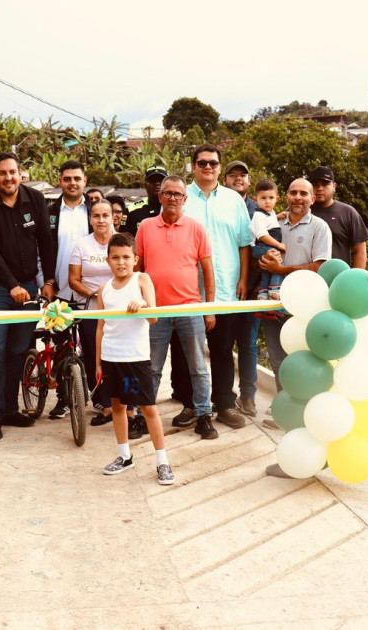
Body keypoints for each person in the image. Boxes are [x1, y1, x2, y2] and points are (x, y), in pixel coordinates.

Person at [0, 151, 56, 440]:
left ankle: (9, 408)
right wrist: (10, 285)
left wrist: (50, 281)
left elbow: (46, 241)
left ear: (21, 173)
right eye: (2, 173)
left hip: (30, 286)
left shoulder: (35, 199)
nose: (8, 178)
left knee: (18, 351)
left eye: (13, 172)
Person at [136, 175, 218, 440]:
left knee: (198, 366)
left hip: (190, 308)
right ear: (160, 197)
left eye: (177, 194)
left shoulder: (196, 228)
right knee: (151, 367)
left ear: (185, 199)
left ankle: (204, 415)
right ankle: (143, 416)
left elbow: (208, 271)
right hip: (154, 312)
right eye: (167, 193)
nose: (172, 198)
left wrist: (209, 309)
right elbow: (138, 270)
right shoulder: (146, 227)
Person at [183, 145, 252, 431]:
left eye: (213, 163)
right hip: (188, 288)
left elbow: (244, 242)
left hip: (226, 288)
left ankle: (224, 404)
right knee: (188, 349)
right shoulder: (183, 196)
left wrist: (244, 279)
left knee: (223, 349)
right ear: (193, 166)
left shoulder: (234, 200)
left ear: (219, 168)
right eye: (202, 163)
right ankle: (191, 404)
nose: (208, 167)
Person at [97, 232, 173, 485]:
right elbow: (100, 327)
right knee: (118, 406)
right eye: (115, 257)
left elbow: (153, 318)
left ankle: (162, 461)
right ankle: (124, 456)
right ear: (108, 260)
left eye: (126, 257)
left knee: (148, 408)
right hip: (111, 358)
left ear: (135, 259)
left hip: (136, 359)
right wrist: (98, 362)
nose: (121, 262)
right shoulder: (103, 289)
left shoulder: (142, 279)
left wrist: (141, 305)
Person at [258, 178, 332, 387]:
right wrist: (263, 262)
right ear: (286, 196)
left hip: (305, 307)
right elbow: (257, 254)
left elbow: (320, 266)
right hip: (274, 304)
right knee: (277, 359)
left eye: (303, 193)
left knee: (304, 360)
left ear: (313, 198)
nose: (298, 198)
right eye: (293, 193)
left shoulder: (320, 227)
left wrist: (281, 270)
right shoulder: (273, 223)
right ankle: (285, 411)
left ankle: (304, 411)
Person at [46, 160, 93, 419]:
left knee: (93, 345)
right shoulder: (50, 213)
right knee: (61, 347)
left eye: (77, 178)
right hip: (59, 293)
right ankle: (63, 399)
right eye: (67, 178)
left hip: (91, 295)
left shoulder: (96, 210)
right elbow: (42, 251)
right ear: (60, 181)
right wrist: (48, 282)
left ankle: (98, 396)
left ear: (85, 181)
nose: (72, 182)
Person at [67, 199, 115, 425]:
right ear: (90, 219)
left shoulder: (121, 241)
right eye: (96, 216)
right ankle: (104, 405)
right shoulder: (81, 245)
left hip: (118, 310)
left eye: (106, 215)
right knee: (95, 357)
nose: (101, 220)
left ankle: (125, 405)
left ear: (113, 217)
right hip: (90, 310)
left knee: (119, 356)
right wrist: (95, 295)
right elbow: (74, 280)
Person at [223, 161, 262, 417]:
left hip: (254, 289)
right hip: (224, 289)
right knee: (223, 346)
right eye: (233, 175)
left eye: (243, 176)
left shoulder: (262, 211)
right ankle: (225, 398)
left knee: (248, 345)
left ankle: (248, 397)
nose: (238, 179)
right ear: (225, 180)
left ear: (249, 181)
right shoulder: (220, 207)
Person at [307, 166, 368, 268]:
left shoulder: (348, 212)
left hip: (338, 278)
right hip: (305, 278)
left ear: (334, 186)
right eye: (315, 185)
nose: (319, 188)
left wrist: (355, 278)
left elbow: (360, 251)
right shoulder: (300, 210)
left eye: (325, 184)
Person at [250, 178, 285, 299]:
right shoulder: (258, 215)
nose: (267, 201)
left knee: (267, 267)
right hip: (261, 246)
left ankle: (263, 291)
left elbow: (270, 222)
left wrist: (279, 216)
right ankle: (275, 288)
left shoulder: (271, 213)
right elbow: (263, 235)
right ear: (255, 200)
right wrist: (279, 245)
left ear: (277, 199)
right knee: (278, 261)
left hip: (266, 246)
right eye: (263, 198)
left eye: (271, 198)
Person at [122, 166, 166, 236]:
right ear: (145, 185)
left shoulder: (178, 209)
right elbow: (123, 241)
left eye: (161, 180)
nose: (157, 183)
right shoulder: (131, 211)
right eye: (153, 180)